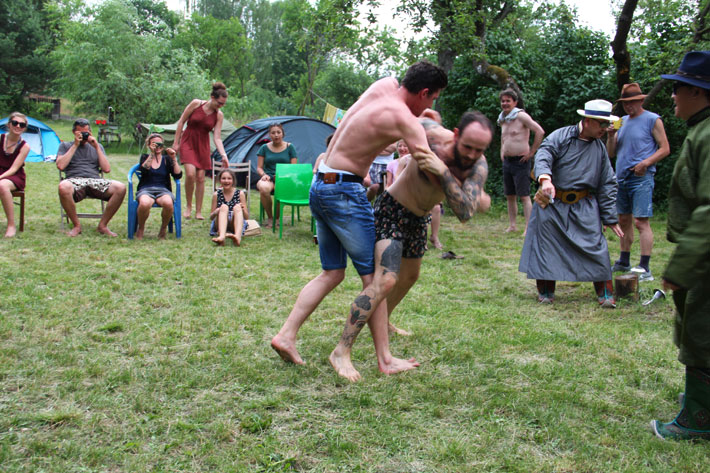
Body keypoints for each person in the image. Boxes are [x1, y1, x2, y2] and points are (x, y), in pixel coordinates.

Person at [270, 60, 448, 381]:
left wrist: (421, 117)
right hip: (345, 192)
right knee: (376, 280)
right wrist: (460, 182)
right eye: (432, 99)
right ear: (424, 92)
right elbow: (425, 156)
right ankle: (375, 357)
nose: (431, 105)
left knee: (332, 273)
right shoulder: (402, 117)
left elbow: (357, 128)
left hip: (321, 181)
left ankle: (286, 335)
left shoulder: (382, 86)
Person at [379, 112, 492, 337]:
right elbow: (398, 120)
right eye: (468, 146)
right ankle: (363, 332)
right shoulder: (432, 135)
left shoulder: (477, 165)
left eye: (479, 150)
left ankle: (384, 320)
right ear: (456, 135)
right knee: (386, 278)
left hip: (420, 217)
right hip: (393, 209)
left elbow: (465, 213)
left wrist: (443, 172)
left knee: (410, 277)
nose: (472, 155)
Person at [651, 51, 710, 441]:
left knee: (702, 333)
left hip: (705, 258)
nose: (672, 96)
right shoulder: (700, 129)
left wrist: (681, 267)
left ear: (697, 91)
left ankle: (697, 420)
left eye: (677, 88)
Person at [518, 100, 623, 308]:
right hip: (553, 203)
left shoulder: (599, 149)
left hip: (584, 205)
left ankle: (605, 294)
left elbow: (607, 183)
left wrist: (610, 217)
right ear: (588, 120)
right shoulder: (561, 136)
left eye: (606, 124)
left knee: (597, 247)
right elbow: (544, 155)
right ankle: (546, 291)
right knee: (546, 246)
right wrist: (545, 179)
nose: (604, 129)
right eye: (601, 124)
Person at [606, 83, 670, 281]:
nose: (628, 106)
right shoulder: (621, 122)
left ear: (641, 100)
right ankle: (624, 260)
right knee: (623, 220)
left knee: (641, 221)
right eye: (625, 103)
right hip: (622, 177)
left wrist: (646, 162)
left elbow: (665, 148)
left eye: (632, 102)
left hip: (641, 177)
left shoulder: (652, 119)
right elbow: (610, 153)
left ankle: (644, 267)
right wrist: (610, 135)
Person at [57, 118, 126, 237]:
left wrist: (97, 147)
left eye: (86, 133)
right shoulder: (65, 145)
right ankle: (77, 226)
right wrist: (75, 145)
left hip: (94, 180)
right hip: (74, 180)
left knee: (121, 187)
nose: (84, 136)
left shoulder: (96, 146)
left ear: (90, 132)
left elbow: (106, 169)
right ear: (74, 132)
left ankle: (102, 225)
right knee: (63, 187)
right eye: (81, 133)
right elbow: (61, 165)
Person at [173, 82, 230, 220]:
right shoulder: (196, 104)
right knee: (190, 175)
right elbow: (181, 122)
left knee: (200, 178)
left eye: (223, 104)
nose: (221, 106)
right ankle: (188, 206)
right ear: (212, 97)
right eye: (219, 103)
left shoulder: (219, 115)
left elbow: (217, 137)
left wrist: (223, 154)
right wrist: (176, 142)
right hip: (188, 141)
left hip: (203, 145)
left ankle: (198, 211)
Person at [498, 88, 545, 234]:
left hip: (521, 161)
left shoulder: (521, 116)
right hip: (508, 161)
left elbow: (539, 131)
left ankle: (528, 228)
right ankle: (512, 225)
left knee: (524, 196)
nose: (505, 103)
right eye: (503, 101)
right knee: (510, 196)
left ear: (515, 102)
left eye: (508, 101)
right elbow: (504, 138)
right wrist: (502, 151)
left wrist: (532, 152)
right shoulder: (503, 119)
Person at [135, 133, 182, 240]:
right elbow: (143, 170)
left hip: (163, 190)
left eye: (160, 144)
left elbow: (178, 175)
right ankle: (141, 228)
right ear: (149, 145)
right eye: (154, 144)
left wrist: (174, 158)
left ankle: (163, 229)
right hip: (146, 189)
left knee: (168, 203)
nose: (157, 147)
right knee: (144, 203)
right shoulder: (145, 157)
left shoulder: (167, 159)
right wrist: (152, 154)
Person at [256, 122, 297, 228]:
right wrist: (263, 174)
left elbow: (293, 168)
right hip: (268, 177)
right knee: (263, 188)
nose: (276, 135)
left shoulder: (290, 147)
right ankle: (270, 217)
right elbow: (259, 167)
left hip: (285, 178)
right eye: (273, 133)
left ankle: (277, 219)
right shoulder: (264, 148)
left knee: (280, 188)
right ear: (269, 135)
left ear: (282, 134)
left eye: (278, 132)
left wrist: (282, 176)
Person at [0, 112, 30, 237]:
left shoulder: (25, 146)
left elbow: (13, 169)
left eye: (22, 125)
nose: (18, 126)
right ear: (9, 124)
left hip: (14, 176)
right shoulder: (0, 139)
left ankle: (11, 225)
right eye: (15, 123)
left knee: (2, 185)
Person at [210, 169, 248, 246]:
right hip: (220, 222)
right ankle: (221, 237)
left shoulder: (240, 193)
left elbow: (247, 217)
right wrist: (216, 212)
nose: (226, 181)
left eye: (229, 178)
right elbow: (211, 217)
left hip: (235, 222)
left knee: (237, 207)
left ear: (233, 180)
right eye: (223, 178)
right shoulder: (216, 194)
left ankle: (237, 237)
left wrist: (242, 209)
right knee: (224, 207)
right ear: (220, 180)